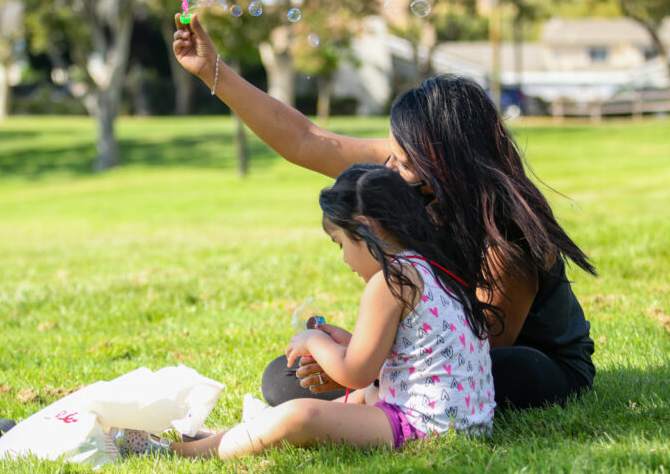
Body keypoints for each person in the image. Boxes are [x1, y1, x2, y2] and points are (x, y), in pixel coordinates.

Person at [172, 14, 597, 410]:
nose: (389, 168)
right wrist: (213, 70)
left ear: (448, 167)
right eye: (391, 152)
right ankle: (375, 392)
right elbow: (304, 139)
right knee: (282, 380)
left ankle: (375, 397)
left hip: (515, 359)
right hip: (433, 351)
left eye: (404, 161)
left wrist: (365, 363)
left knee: (513, 369)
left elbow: (473, 350)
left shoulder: (507, 237)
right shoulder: (407, 167)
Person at [172, 164, 496, 459]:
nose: (344, 259)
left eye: (340, 243)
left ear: (367, 228)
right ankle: (229, 437)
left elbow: (355, 373)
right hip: (469, 422)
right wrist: (350, 342)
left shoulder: (391, 280)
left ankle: (184, 452)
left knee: (300, 416)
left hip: (423, 426)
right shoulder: (432, 268)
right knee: (357, 398)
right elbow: (415, 355)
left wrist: (315, 341)